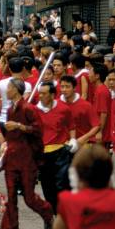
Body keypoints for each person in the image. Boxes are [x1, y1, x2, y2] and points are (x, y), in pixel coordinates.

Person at [0, 78, 54, 229]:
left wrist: (19, 126)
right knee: (11, 197)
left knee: (29, 198)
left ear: (16, 90)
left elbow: (38, 130)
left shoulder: (29, 108)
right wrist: (4, 145)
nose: (6, 90)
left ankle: (47, 212)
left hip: (26, 158)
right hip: (11, 157)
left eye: (8, 88)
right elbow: (10, 136)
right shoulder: (9, 110)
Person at [36, 82, 76, 213]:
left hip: (60, 152)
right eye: (39, 93)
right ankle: (55, 213)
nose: (41, 96)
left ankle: (65, 214)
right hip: (42, 153)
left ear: (52, 95)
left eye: (44, 93)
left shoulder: (63, 109)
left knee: (62, 184)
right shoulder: (34, 111)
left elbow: (71, 127)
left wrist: (73, 140)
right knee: (47, 185)